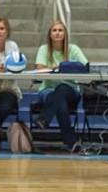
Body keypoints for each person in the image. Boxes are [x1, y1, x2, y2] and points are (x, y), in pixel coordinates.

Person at [34, 20, 89, 152]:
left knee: (62, 89)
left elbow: (85, 67)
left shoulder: (73, 49)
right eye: (54, 30)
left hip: (71, 90)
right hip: (47, 90)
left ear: (65, 33)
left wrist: (59, 68)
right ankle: (71, 141)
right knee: (60, 102)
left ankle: (44, 118)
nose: (57, 33)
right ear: (50, 34)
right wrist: (62, 68)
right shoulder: (44, 49)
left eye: (60, 30)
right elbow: (39, 68)